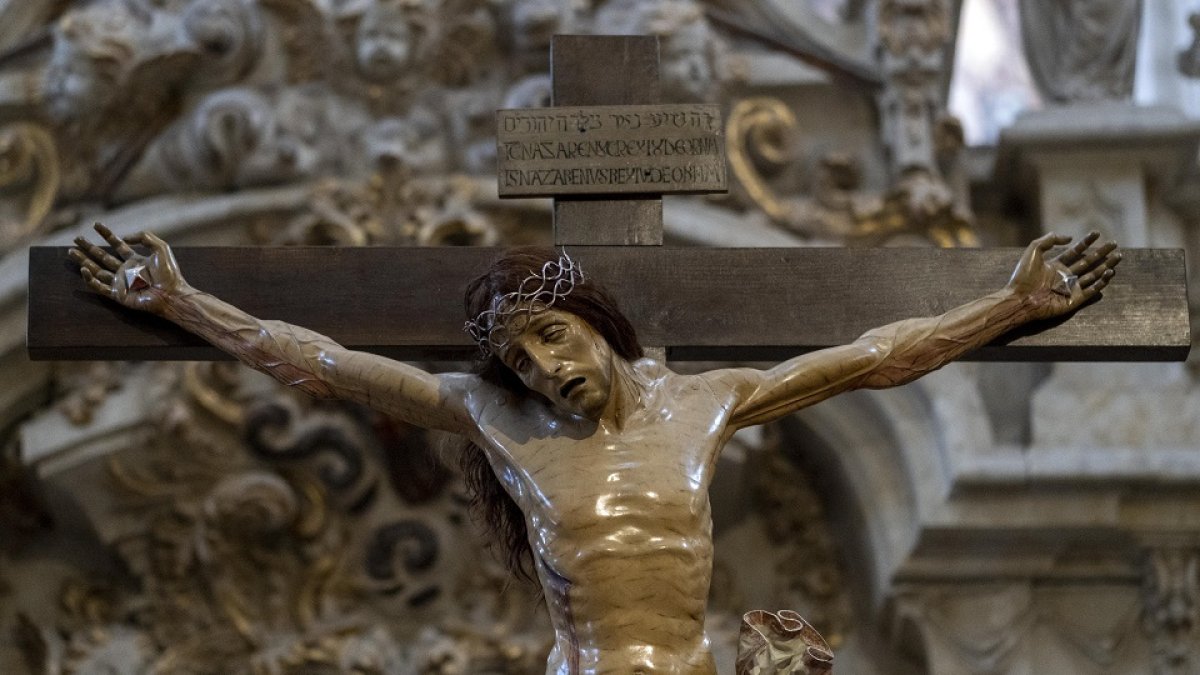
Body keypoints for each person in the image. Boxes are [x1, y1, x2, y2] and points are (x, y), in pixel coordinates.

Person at [70, 224, 1119, 674]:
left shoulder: (707, 402)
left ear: (596, 324)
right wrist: (182, 303)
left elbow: (873, 357)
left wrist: (1012, 305)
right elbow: (323, 364)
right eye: (519, 360)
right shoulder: (498, 420)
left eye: (552, 337)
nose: (541, 369)